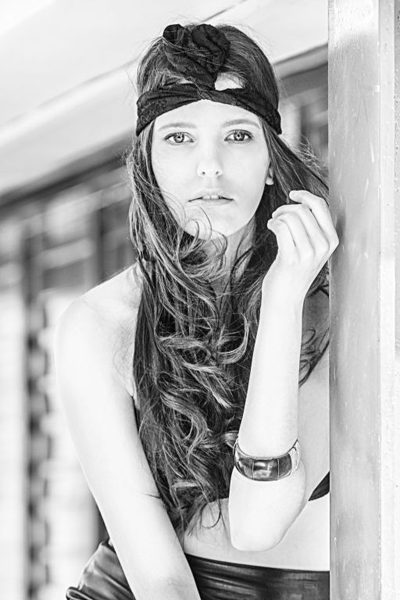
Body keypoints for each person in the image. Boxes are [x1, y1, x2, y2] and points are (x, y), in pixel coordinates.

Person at [54, 22, 339, 600]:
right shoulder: (101, 323)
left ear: (270, 159)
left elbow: (258, 524)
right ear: (148, 163)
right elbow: (160, 577)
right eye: (179, 137)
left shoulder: (326, 303)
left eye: (238, 135)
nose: (210, 165)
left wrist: (282, 301)